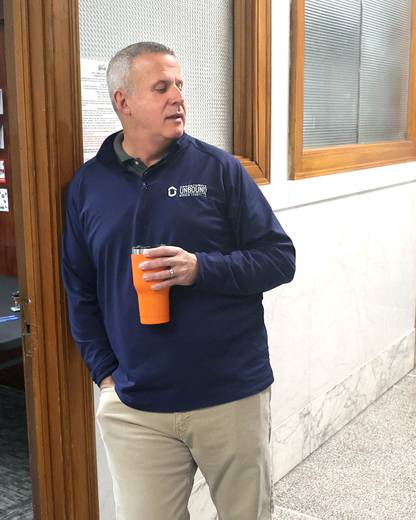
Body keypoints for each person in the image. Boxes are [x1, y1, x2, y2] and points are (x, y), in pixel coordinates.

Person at [61, 42, 295, 519]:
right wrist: (105, 373)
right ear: (122, 102)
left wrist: (200, 268)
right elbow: (80, 288)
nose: (178, 98)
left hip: (230, 395)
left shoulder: (220, 171)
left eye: (180, 85)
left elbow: (279, 258)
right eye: (162, 87)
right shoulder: (88, 186)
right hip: (136, 404)